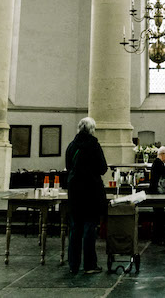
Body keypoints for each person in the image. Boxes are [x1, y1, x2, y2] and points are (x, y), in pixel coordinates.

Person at [65, 116, 108, 274]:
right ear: (92, 130)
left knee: (75, 227)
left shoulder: (71, 146)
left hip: (75, 192)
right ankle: (89, 265)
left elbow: (68, 167)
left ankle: (73, 265)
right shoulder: (93, 145)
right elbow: (103, 168)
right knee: (90, 227)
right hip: (91, 191)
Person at [148, 145, 165, 245]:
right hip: (156, 193)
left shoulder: (157, 163)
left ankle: (158, 238)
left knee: (159, 216)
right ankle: (158, 239)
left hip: (156, 192)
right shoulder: (158, 163)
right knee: (159, 217)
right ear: (162, 154)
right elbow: (162, 172)